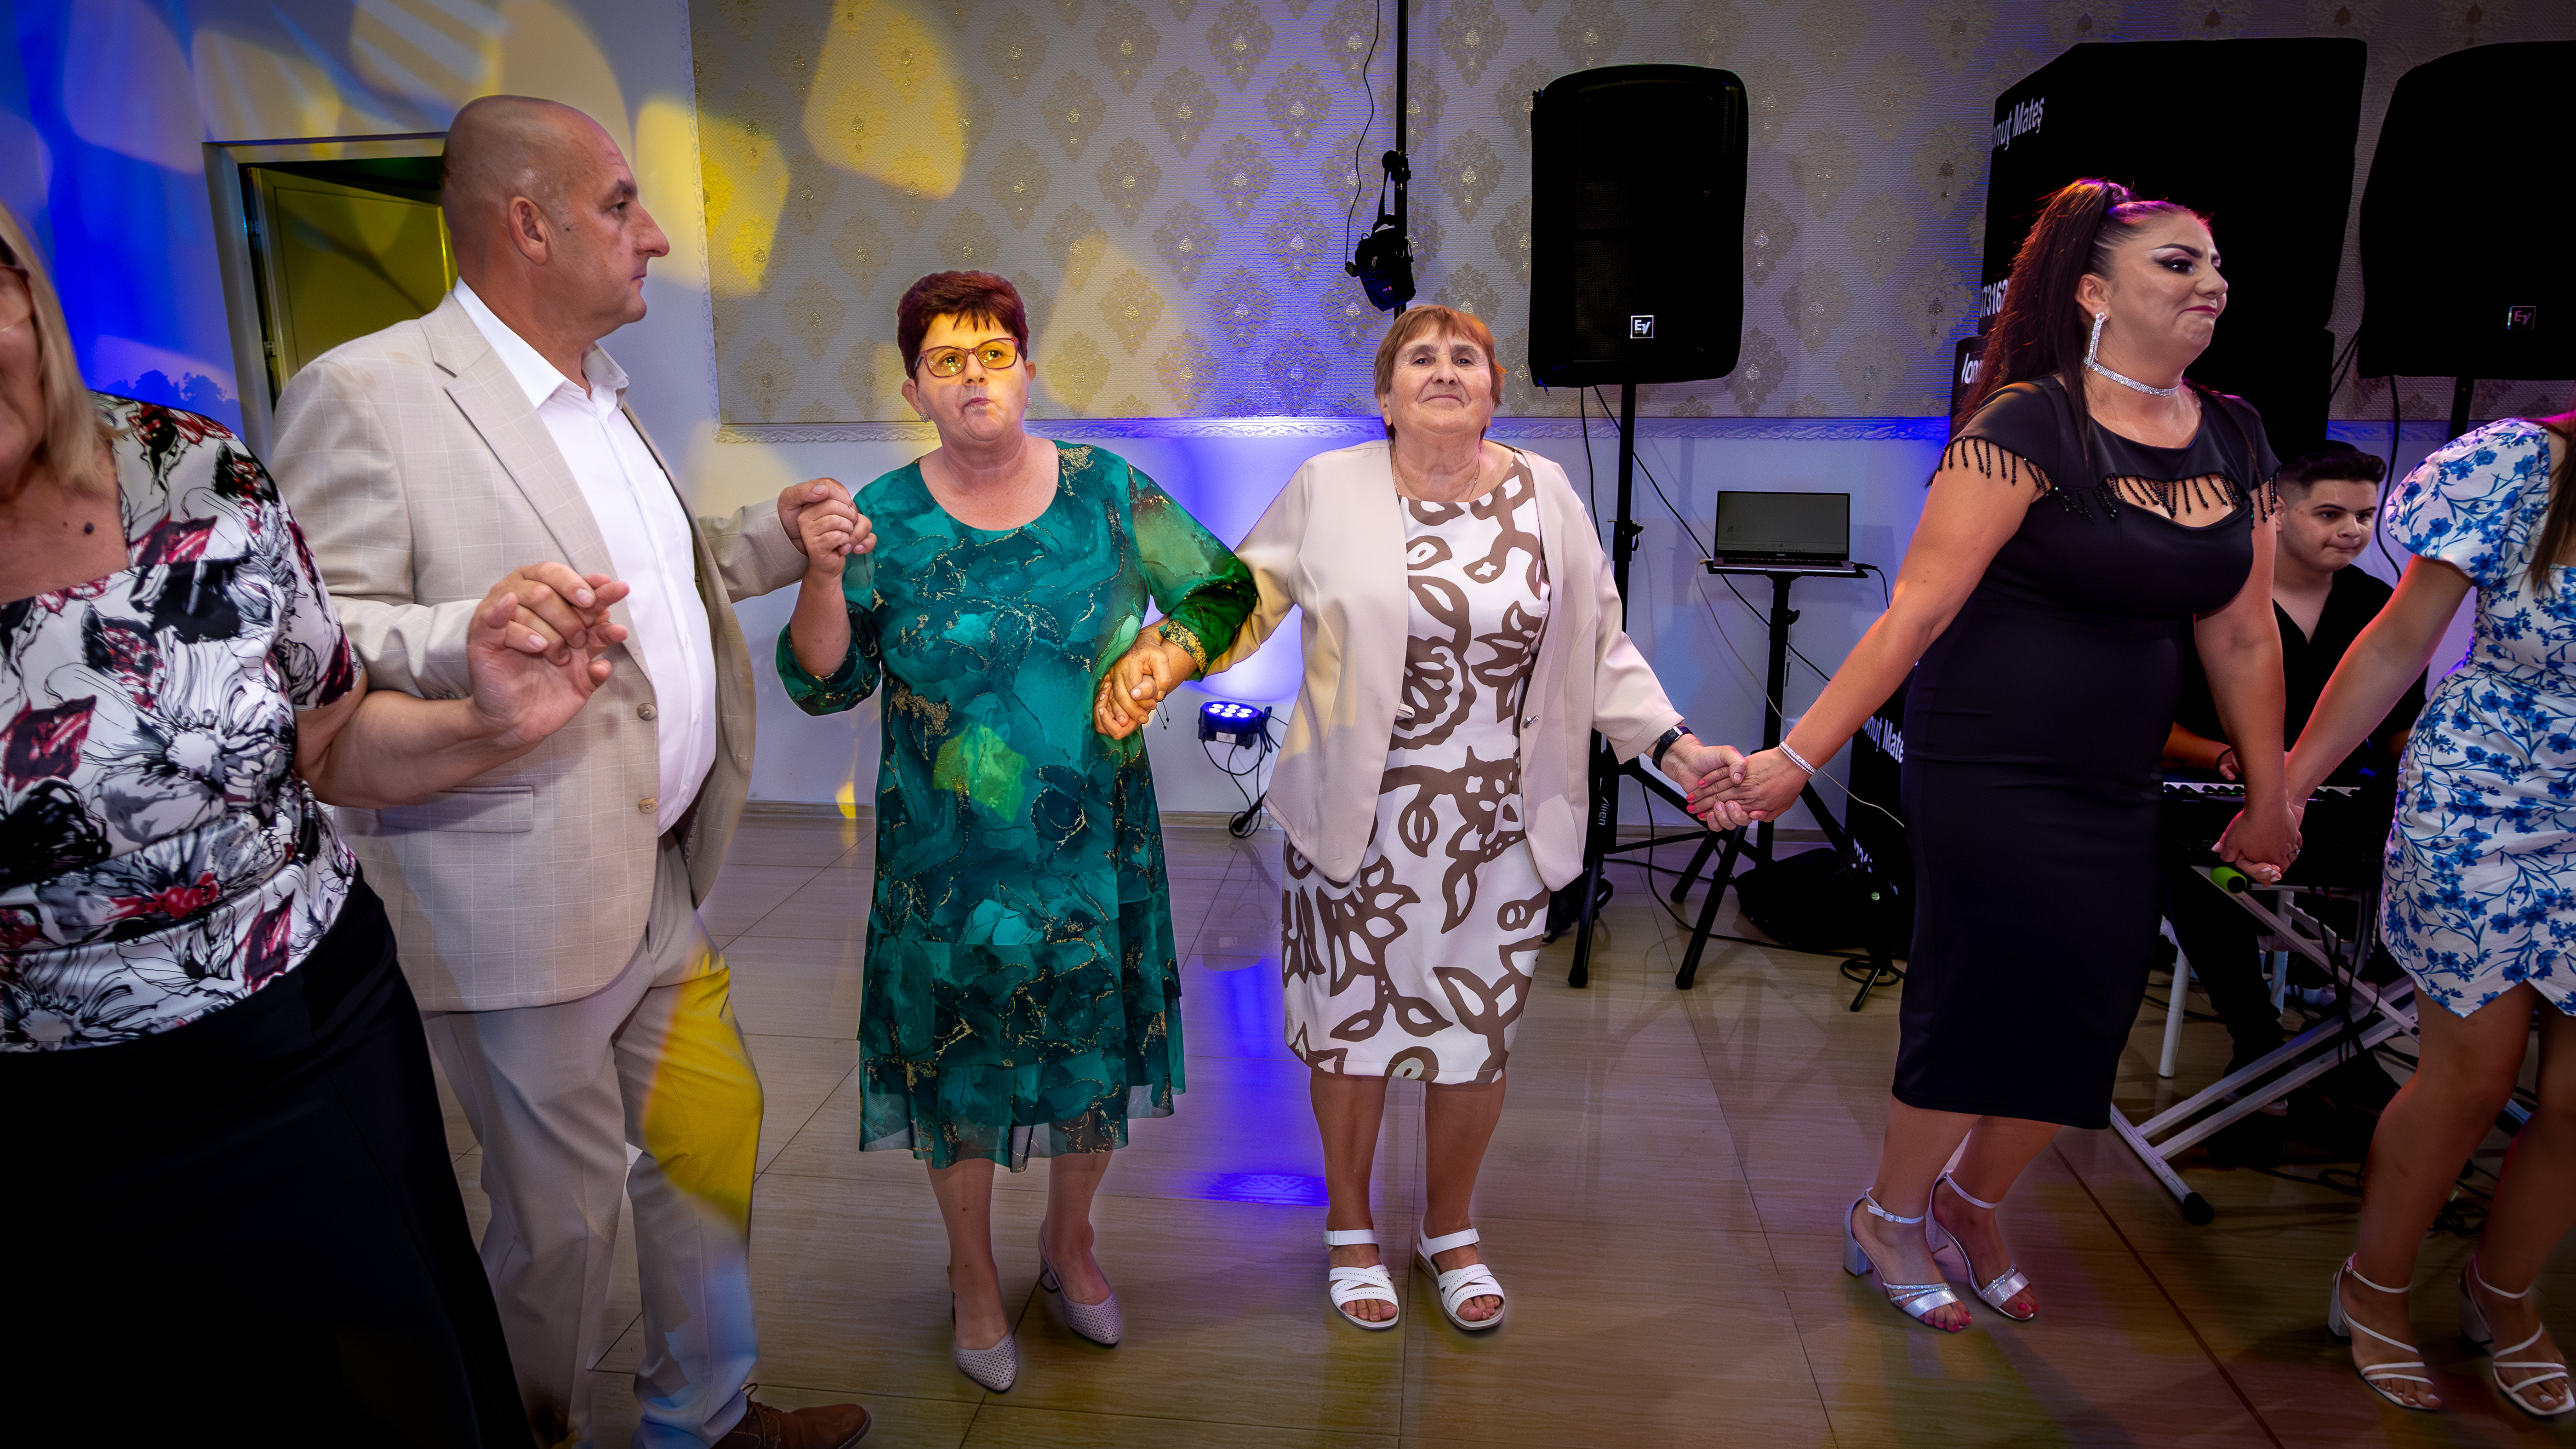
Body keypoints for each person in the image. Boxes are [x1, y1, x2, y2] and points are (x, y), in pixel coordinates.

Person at [268, 97, 871, 1449]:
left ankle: (703, 1415)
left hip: (657, 873)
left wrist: (773, 540)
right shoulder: (366, 394)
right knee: (558, 1222)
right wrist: (468, 635)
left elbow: (652, 585)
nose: (652, 235)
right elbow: (311, 632)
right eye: (620, 204)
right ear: (528, 225)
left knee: (712, 1135)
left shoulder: (601, 389)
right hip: (511, 889)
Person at [0, 201, 621, 1444]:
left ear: (25, 295)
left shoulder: (198, 473)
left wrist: (489, 722)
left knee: (401, 1391)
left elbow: (326, 741)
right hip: (46, 1115)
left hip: (312, 1038)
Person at [1691, 179, 2297, 1332]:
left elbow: (2244, 632)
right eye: (2178, 264)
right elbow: (1915, 613)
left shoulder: (2237, 433)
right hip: (1990, 760)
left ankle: (1971, 1202)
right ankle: (1889, 1213)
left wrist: (2273, 795)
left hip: (2117, 772)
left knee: (2092, 998)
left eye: (2216, 266)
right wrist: (1796, 758)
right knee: (1985, 995)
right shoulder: (2028, 422)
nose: (2211, 285)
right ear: (2093, 293)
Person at [1101, 304, 1729, 1334]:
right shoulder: (1329, 488)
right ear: (1385, 399)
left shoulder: (1549, 494)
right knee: (1350, 1037)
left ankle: (1449, 1227)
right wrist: (1163, 658)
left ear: (1493, 392)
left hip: (1501, 828)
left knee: (1476, 1040)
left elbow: (1599, 647)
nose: (1444, 370)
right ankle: (1350, 1225)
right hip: (1358, 822)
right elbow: (1242, 598)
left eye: (1465, 358)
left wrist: (1673, 745)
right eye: (1420, 358)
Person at [780, 269, 1258, 1391]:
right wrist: (822, 573)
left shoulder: (1106, 491)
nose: (974, 377)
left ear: (1027, 369)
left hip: (1094, 851)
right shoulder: (883, 518)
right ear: (914, 389)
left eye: (993, 353)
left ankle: (1070, 1241)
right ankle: (971, 1272)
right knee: (958, 1067)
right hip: (945, 867)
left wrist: (1165, 653)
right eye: (947, 361)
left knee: (1089, 1056)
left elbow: (1225, 590)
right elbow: (826, 681)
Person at [2270, 404, 2576, 1415]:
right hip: (2484, 801)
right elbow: (2397, 643)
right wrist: (2289, 790)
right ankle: (2376, 1286)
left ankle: (2504, 1292)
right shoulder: (2516, 464)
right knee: (2473, 1077)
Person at [2161, 442, 2422, 1075]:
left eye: (2365, 516)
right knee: (2195, 870)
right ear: (2276, 513)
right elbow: (2144, 724)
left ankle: (2346, 1037)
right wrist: (2225, 755)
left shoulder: (2377, 604)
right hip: (2209, 791)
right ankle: (2258, 1041)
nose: (2353, 531)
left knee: (2427, 861)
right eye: (2330, 514)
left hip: (2333, 799)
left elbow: (2398, 728)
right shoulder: (2207, 596)